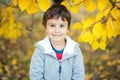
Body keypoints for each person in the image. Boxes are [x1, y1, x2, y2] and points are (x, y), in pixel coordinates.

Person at [30, 3, 85, 80]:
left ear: (67, 28)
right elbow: (36, 76)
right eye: (52, 26)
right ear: (46, 27)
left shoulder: (75, 51)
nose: (57, 30)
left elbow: (78, 76)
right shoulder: (40, 50)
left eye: (62, 26)